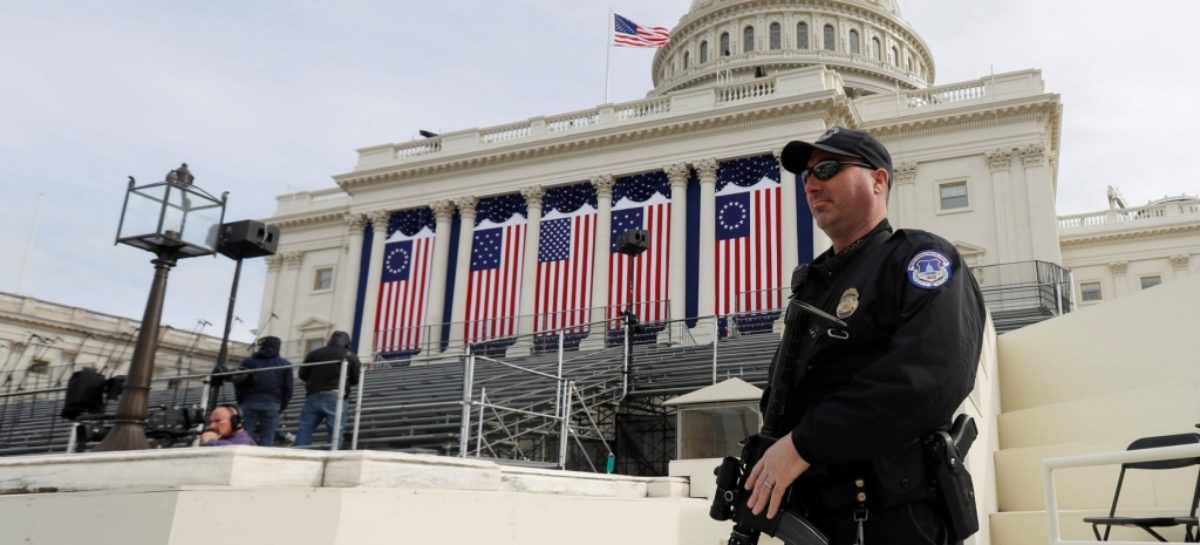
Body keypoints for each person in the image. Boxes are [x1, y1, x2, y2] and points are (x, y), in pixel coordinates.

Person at [742, 127, 986, 545]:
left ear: (878, 181)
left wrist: (802, 445)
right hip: (820, 518)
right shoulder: (814, 284)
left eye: (830, 169)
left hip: (893, 517)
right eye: (807, 177)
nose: (813, 184)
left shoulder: (918, 258)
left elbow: (928, 377)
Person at [294, 331, 361, 448]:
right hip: (336, 396)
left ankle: (298, 451)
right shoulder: (350, 355)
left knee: (305, 427)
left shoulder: (314, 353)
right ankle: (332, 455)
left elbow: (302, 374)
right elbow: (355, 380)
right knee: (335, 430)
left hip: (313, 395)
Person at [233, 336, 294, 446]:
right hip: (272, 403)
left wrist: (240, 400)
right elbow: (288, 388)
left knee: (245, 436)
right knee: (267, 437)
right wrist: (283, 406)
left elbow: (239, 382)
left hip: (249, 401)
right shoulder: (285, 364)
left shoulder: (248, 362)